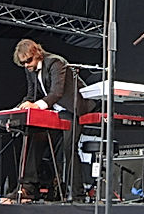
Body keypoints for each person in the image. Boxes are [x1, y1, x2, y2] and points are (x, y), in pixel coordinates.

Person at [12, 39, 92, 202]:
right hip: (56, 111)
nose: (26, 65)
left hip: (73, 109)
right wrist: (20, 107)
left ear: (37, 54)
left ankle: (77, 193)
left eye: (28, 61)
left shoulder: (56, 62)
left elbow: (57, 93)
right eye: (23, 63)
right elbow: (31, 94)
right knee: (35, 137)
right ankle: (28, 187)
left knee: (69, 148)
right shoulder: (30, 69)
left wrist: (35, 105)